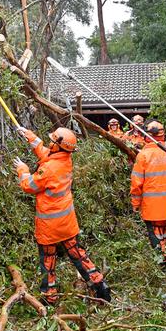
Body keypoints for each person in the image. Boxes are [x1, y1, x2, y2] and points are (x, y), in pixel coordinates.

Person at [13, 127, 111, 304]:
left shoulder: (49, 169)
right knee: (78, 255)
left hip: (49, 226)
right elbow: (45, 154)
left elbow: (29, 186)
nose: (49, 143)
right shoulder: (65, 159)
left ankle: (49, 297)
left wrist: (23, 169)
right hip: (67, 224)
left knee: (48, 261)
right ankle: (99, 284)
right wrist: (30, 135)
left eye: (52, 141)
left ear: (58, 145)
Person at [130, 120, 166, 272]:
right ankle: (165, 262)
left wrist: (135, 203)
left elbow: (136, 183)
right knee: (165, 232)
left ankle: (160, 265)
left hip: (151, 205)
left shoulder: (144, 156)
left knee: (155, 234)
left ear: (147, 136)